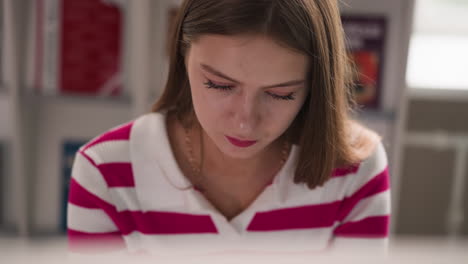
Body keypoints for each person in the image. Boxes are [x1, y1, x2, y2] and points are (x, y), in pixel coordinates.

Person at [67, 0, 390, 254]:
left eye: (281, 94)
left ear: (315, 85)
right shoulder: (106, 173)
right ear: (182, 55)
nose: (245, 121)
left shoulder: (356, 169)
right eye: (219, 85)